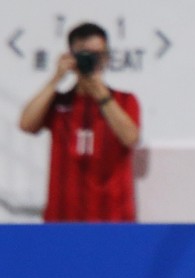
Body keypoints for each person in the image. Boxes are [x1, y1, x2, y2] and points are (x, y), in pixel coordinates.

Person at [18, 22, 141, 221]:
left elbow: (130, 138)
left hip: (113, 217)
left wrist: (100, 94)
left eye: (99, 55)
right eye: (85, 55)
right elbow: (26, 124)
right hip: (63, 217)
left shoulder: (125, 100)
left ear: (108, 57)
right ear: (71, 56)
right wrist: (56, 78)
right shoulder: (59, 102)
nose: (93, 61)